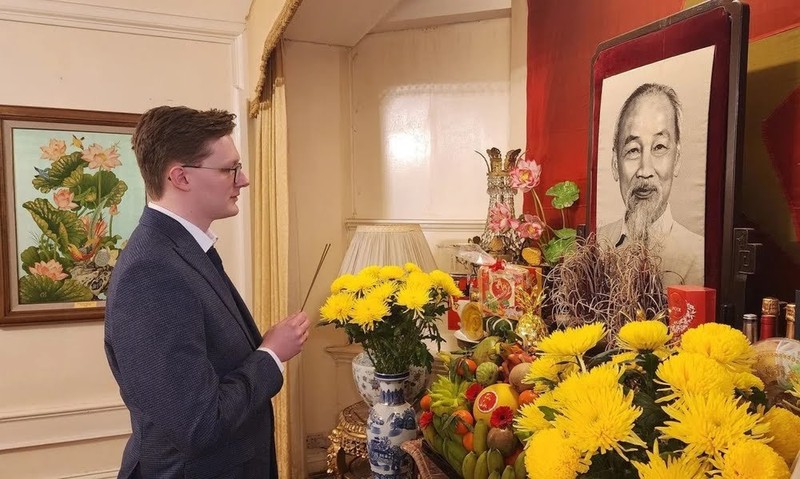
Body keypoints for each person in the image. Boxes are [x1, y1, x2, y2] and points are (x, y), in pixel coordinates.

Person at [104, 106, 310, 479]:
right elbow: (198, 424)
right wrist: (271, 355)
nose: (243, 180)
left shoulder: (182, 250)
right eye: (229, 169)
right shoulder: (151, 271)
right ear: (180, 177)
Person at [597, 83, 704, 287]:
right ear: (614, 163)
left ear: (677, 159)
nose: (645, 170)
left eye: (659, 147)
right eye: (633, 150)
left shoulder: (698, 254)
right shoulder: (599, 244)